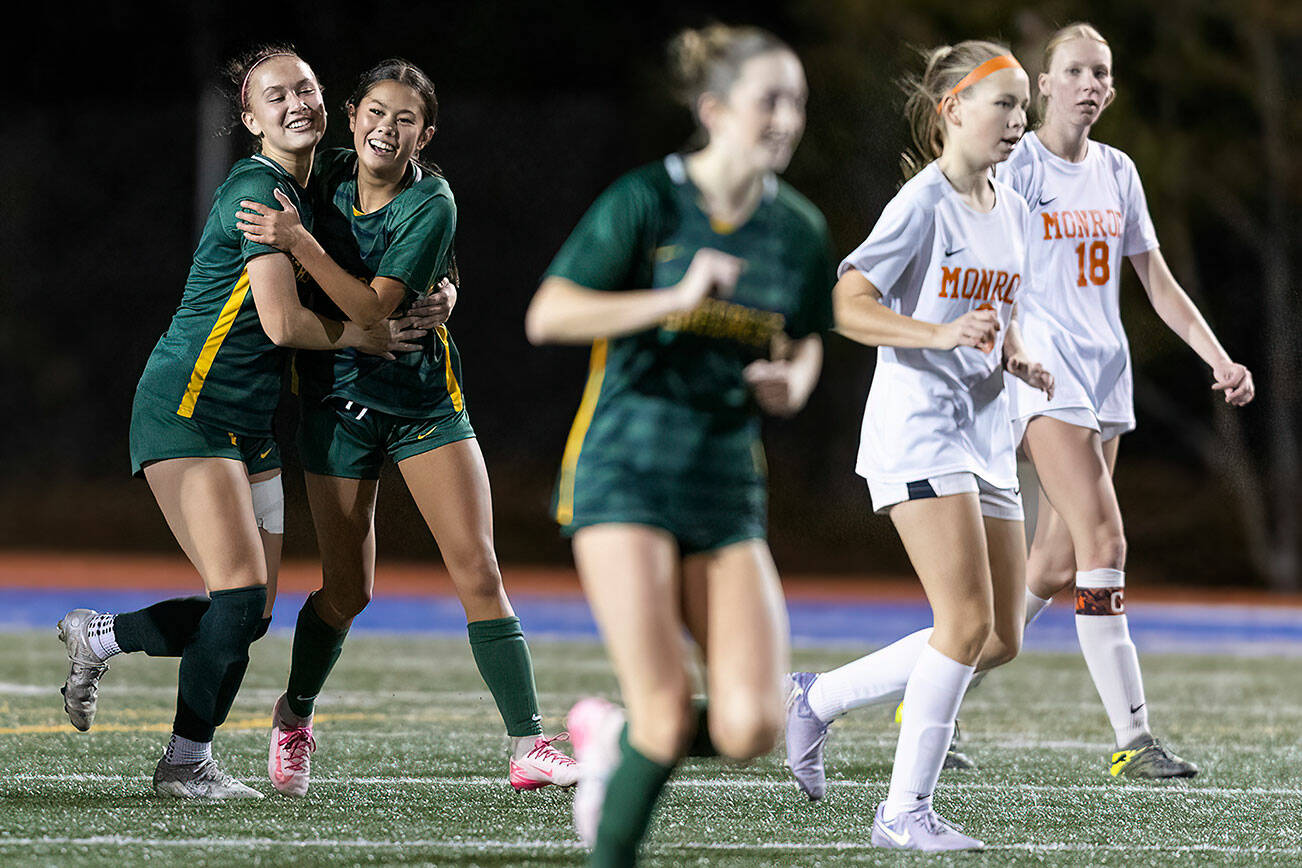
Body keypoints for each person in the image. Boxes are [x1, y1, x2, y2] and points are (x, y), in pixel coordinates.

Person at [56, 45, 419, 798]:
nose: (297, 102)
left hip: (251, 425)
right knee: (240, 596)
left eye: (309, 88)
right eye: (276, 94)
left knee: (245, 618)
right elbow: (284, 323)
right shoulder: (261, 190)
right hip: (187, 407)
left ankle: (101, 636)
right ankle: (185, 764)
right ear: (250, 119)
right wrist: (365, 334)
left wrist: (442, 284)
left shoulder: (322, 188)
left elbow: (418, 211)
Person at [525, 24, 833, 866]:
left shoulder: (798, 230)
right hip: (623, 472)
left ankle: (612, 738)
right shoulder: (647, 202)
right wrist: (670, 300)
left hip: (725, 487)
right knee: (667, 708)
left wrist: (796, 381)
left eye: (798, 101)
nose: (788, 117)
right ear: (713, 109)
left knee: (753, 725)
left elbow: (807, 336)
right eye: (769, 98)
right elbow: (549, 314)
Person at [233, 58, 575, 797]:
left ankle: (528, 745)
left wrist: (306, 245)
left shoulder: (433, 200)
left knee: (478, 567)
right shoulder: (313, 178)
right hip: (336, 409)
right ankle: (294, 715)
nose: (387, 128)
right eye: (376, 113)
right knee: (348, 591)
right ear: (351, 116)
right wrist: (447, 283)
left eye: (406, 118)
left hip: (424, 406)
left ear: (426, 133)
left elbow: (372, 312)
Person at [784, 41, 1053, 850]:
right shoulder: (922, 202)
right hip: (920, 432)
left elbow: (988, 312)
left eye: (1022, 105)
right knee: (963, 622)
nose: (1019, 119)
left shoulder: (1008, 203)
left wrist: (1011, 352)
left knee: (997, 636)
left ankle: (816, 698)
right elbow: (847, 304)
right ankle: (903, 812)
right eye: (1002, 103)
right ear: (952, 111)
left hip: (985, 435)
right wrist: (939, 334)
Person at [993, 22, 1254, 778]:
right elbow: (985, 264)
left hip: (1106, 378)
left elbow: (1158, 281)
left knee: (1051, 565)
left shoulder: (1117, 171)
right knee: (1106, 544)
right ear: (1044, 84)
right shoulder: (1021, 168)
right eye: (1073, 70)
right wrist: (1002, 352)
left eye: (1100, 73)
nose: (1089, 84)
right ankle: (1133, 740)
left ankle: (926, 687)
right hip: (1046, 377)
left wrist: (1218, 356)